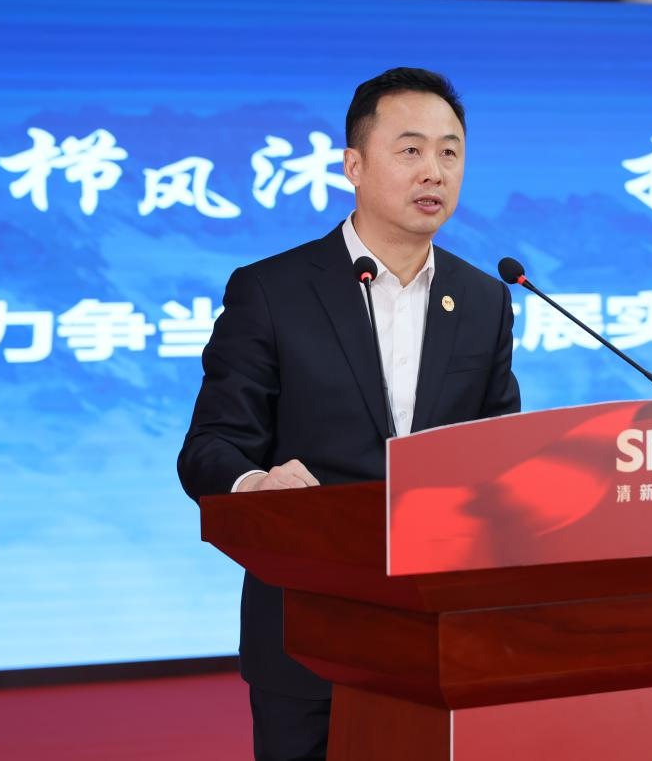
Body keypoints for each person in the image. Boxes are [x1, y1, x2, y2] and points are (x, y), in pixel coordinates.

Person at [177, 67, 521, 761]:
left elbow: (499, 454)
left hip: (440, 633)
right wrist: (256, 486)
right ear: (354, 166)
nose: (433, 171)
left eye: (449, 152)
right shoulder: (271, 290)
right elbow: (210, 446)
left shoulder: (484, 300)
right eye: (410, 149)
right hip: (307, 626)